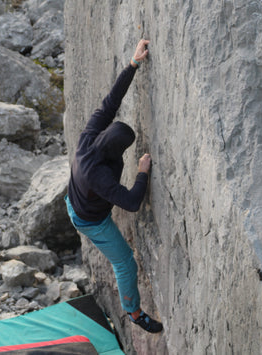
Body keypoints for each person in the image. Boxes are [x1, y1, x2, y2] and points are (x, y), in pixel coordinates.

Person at [65, 39, 163, 333]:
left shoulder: (91, 135)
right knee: (126, 263)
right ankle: (134, 313)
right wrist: (142, 173)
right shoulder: (101, 177)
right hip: (89, 219)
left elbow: (112, 101)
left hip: (76, 198)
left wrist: (134, 63)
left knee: (121, 256)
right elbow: (132, 202)